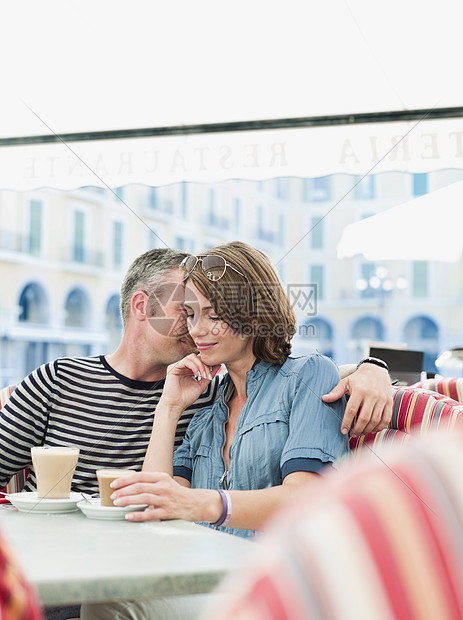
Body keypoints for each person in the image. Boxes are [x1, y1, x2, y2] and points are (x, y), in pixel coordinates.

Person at [0, 248, 392, 498]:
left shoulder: (204, 392)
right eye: (186, 312)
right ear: (142, 306)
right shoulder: (57, 379)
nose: (195, 328)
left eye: (211, 312)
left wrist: (372, 368)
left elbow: (294, 376)